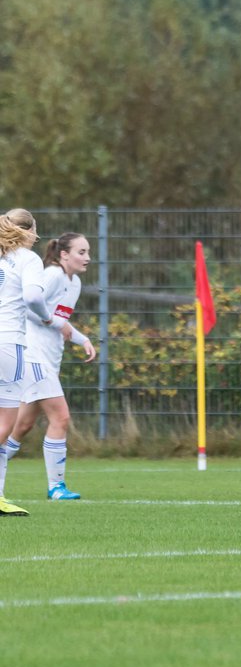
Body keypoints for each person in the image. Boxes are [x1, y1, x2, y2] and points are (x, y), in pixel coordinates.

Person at [3, 233, 97, 501]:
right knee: (61, 417)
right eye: (81, 252)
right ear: (63, 254)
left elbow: (60, 322)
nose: (87, 257)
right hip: (34, 357)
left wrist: (83, 339)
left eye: (88, 252)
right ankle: (56, 487)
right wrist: (58, 324)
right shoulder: (53, 274)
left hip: (49, 359)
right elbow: (29, 307)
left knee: (20, 427)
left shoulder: (74, 282)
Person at [0, 209, 55, 517]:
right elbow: (33, 297)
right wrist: (47, 316)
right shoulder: (28, 258)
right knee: (5, 425)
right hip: (9, 344)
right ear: (29, 231)